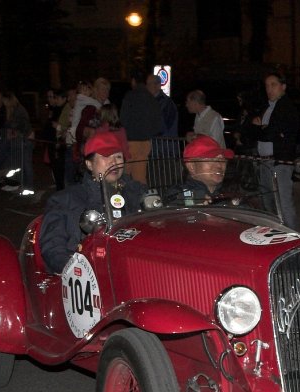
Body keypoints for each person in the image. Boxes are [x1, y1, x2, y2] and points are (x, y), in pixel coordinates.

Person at [39, 129, 145, 273]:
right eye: (106, 156)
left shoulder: (138, 192)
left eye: (118, 157)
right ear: (89, 164)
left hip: (135, 267)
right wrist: (75, 271)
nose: (114, 162)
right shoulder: (66, 199)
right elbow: (53, 246)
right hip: (89, 274)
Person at [252, 72, 300, 228]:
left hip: (279, 162)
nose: (269, 89)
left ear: (283, 86)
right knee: (268, 202)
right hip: (264, 161)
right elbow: (253, 130)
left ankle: (292, 238)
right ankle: (274, 234)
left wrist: (261, 129)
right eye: (267, 86)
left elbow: (269, 133)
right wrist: (261, 129)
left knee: (283, 203)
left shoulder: (286, 107)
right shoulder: (267, 107)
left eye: (273, 85)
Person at [162, 135, 233, 206]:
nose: (219, 165)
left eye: (222, 159)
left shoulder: (229, 195)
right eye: (211, 159)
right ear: (191, 166)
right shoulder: (177, 196)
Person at [119, 71, 162, 185]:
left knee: (124, 176)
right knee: (140, 177)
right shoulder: (151, 98)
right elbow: (158, 124)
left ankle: (122, 199)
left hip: (130, 142)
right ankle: (140, 199)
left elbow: (123, 119)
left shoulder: (130, 96)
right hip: (145, 143)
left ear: (133, 81)